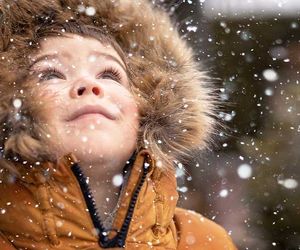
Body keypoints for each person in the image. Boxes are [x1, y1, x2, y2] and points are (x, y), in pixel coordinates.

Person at [0, 0, 236, 249]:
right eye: (51, 74)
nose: (90, 85)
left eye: (108, 74)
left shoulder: (204, 240)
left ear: (148, 109)